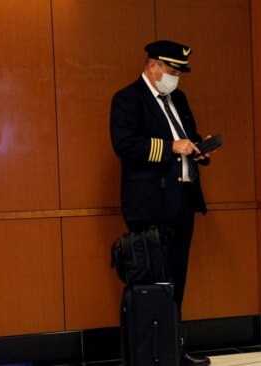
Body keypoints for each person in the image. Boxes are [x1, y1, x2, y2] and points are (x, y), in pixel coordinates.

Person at [110, 39, 212, 366]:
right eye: (171, 69)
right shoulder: (127, 99)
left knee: (177, 278)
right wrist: (172, 148)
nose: (176, 76)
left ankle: (173, 350)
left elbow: (188, 138)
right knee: (152, 280)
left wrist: (200, 150)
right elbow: (125, 145)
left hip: (182, 199)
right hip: (150, 203)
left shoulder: (178, 99)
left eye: (180, 71)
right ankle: (149, 354)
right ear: (152, 65)